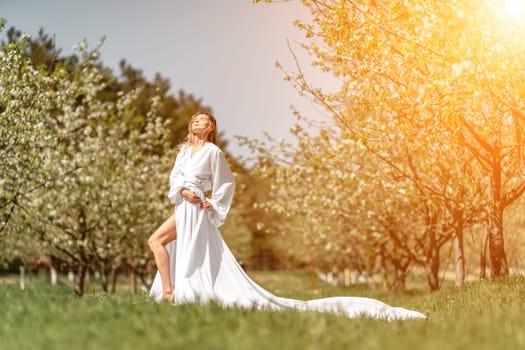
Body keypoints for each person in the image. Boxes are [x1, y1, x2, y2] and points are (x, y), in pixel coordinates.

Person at [148, 111, 426, 320]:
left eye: (205, 120)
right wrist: (181, 190)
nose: (199, 122)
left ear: (211, 128)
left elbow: (226, 182)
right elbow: (175, 176)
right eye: (195, 119)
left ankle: (171, 292)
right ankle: (170, 290)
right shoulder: (183, 151)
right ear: (190, 125)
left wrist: (212, 202)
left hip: (196, 207)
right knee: (158, 242)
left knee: (159, 241)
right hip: (182, 203)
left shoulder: (214, 152)